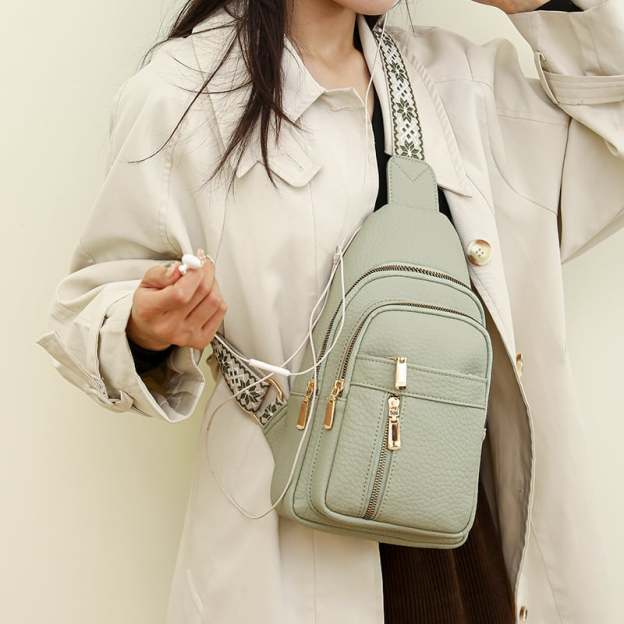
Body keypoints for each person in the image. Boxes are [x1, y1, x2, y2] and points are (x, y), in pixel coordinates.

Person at [36, 0, 623, 622]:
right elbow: (90, 305)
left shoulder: (461, 86)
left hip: (461, 545)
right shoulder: (182, 95)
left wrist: (544, 3)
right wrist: (144, 325)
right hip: (289, 545)